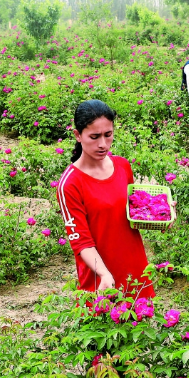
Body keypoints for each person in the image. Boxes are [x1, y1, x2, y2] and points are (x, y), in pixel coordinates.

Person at [57, 100, 155, 299]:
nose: (102, 144)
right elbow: (80, 240)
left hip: (135, 268)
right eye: (94, 137)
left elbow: (133, 212)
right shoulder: (70, 183)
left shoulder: (122, 166)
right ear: (78, 135)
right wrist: (103, 274)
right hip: (100, 276)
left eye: (108, 135)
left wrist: (159, 213)